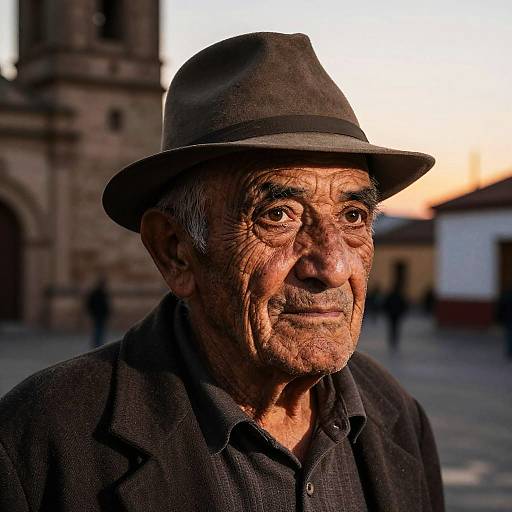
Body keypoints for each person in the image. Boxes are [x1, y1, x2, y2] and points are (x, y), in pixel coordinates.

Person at [0, 33, 444, 511]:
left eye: (353, 216)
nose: (333, 266)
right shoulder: (41, 442)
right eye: (278, 215)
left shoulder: (399, 419)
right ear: (175, 252)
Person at [382, 283, 409, 352]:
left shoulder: (390, 296)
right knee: (396, 327)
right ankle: (395, 339)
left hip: (391, 314)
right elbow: (404, 305)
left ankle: (392, 338)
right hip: (397, 314)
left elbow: (386, 304)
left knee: (391, 327)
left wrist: (386, 312)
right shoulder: (400, 296)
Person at [85, 277, 111, 348]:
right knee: (98, 329)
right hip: (98, 314)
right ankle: (98, 343)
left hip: (99, 314)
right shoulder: (99, 293)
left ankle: (98, 343)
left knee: (99, 329)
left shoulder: (100, 293)